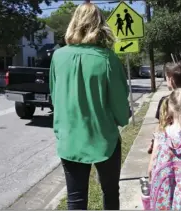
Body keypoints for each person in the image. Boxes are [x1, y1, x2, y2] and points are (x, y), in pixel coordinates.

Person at [49, 2, 130, 210]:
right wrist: (122, 119)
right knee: (110, 193)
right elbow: (121, 102)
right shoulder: (107, 58)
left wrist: (59, 129)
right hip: (104, 140)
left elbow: (55, 95)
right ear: (100, 25)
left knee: (75, 198)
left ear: (74, 23)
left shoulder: (58, 57)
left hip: (70, 139)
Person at [147, 62, 181, 154]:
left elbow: (161, 125)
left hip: (170, 144)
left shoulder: (165, 101)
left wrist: (154, 142)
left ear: (171, 80)